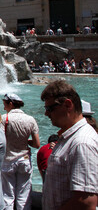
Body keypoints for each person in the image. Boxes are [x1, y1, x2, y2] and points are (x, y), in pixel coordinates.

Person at [41, 80, 98, 209]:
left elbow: (86, 202)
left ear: (68, 105)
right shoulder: (70, 138)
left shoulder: (82, 143)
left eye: (50, 108)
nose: (46, 114)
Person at [0, 93, 40, 210]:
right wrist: (26, 141)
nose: (4, 108)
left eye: (5, 105)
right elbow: (37, 144)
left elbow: (0, 140)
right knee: (24, 196)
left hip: (8, 161)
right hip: (25, 160)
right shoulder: (30, 119)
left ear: (11, 104)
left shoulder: (4, 119)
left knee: (8, 196)